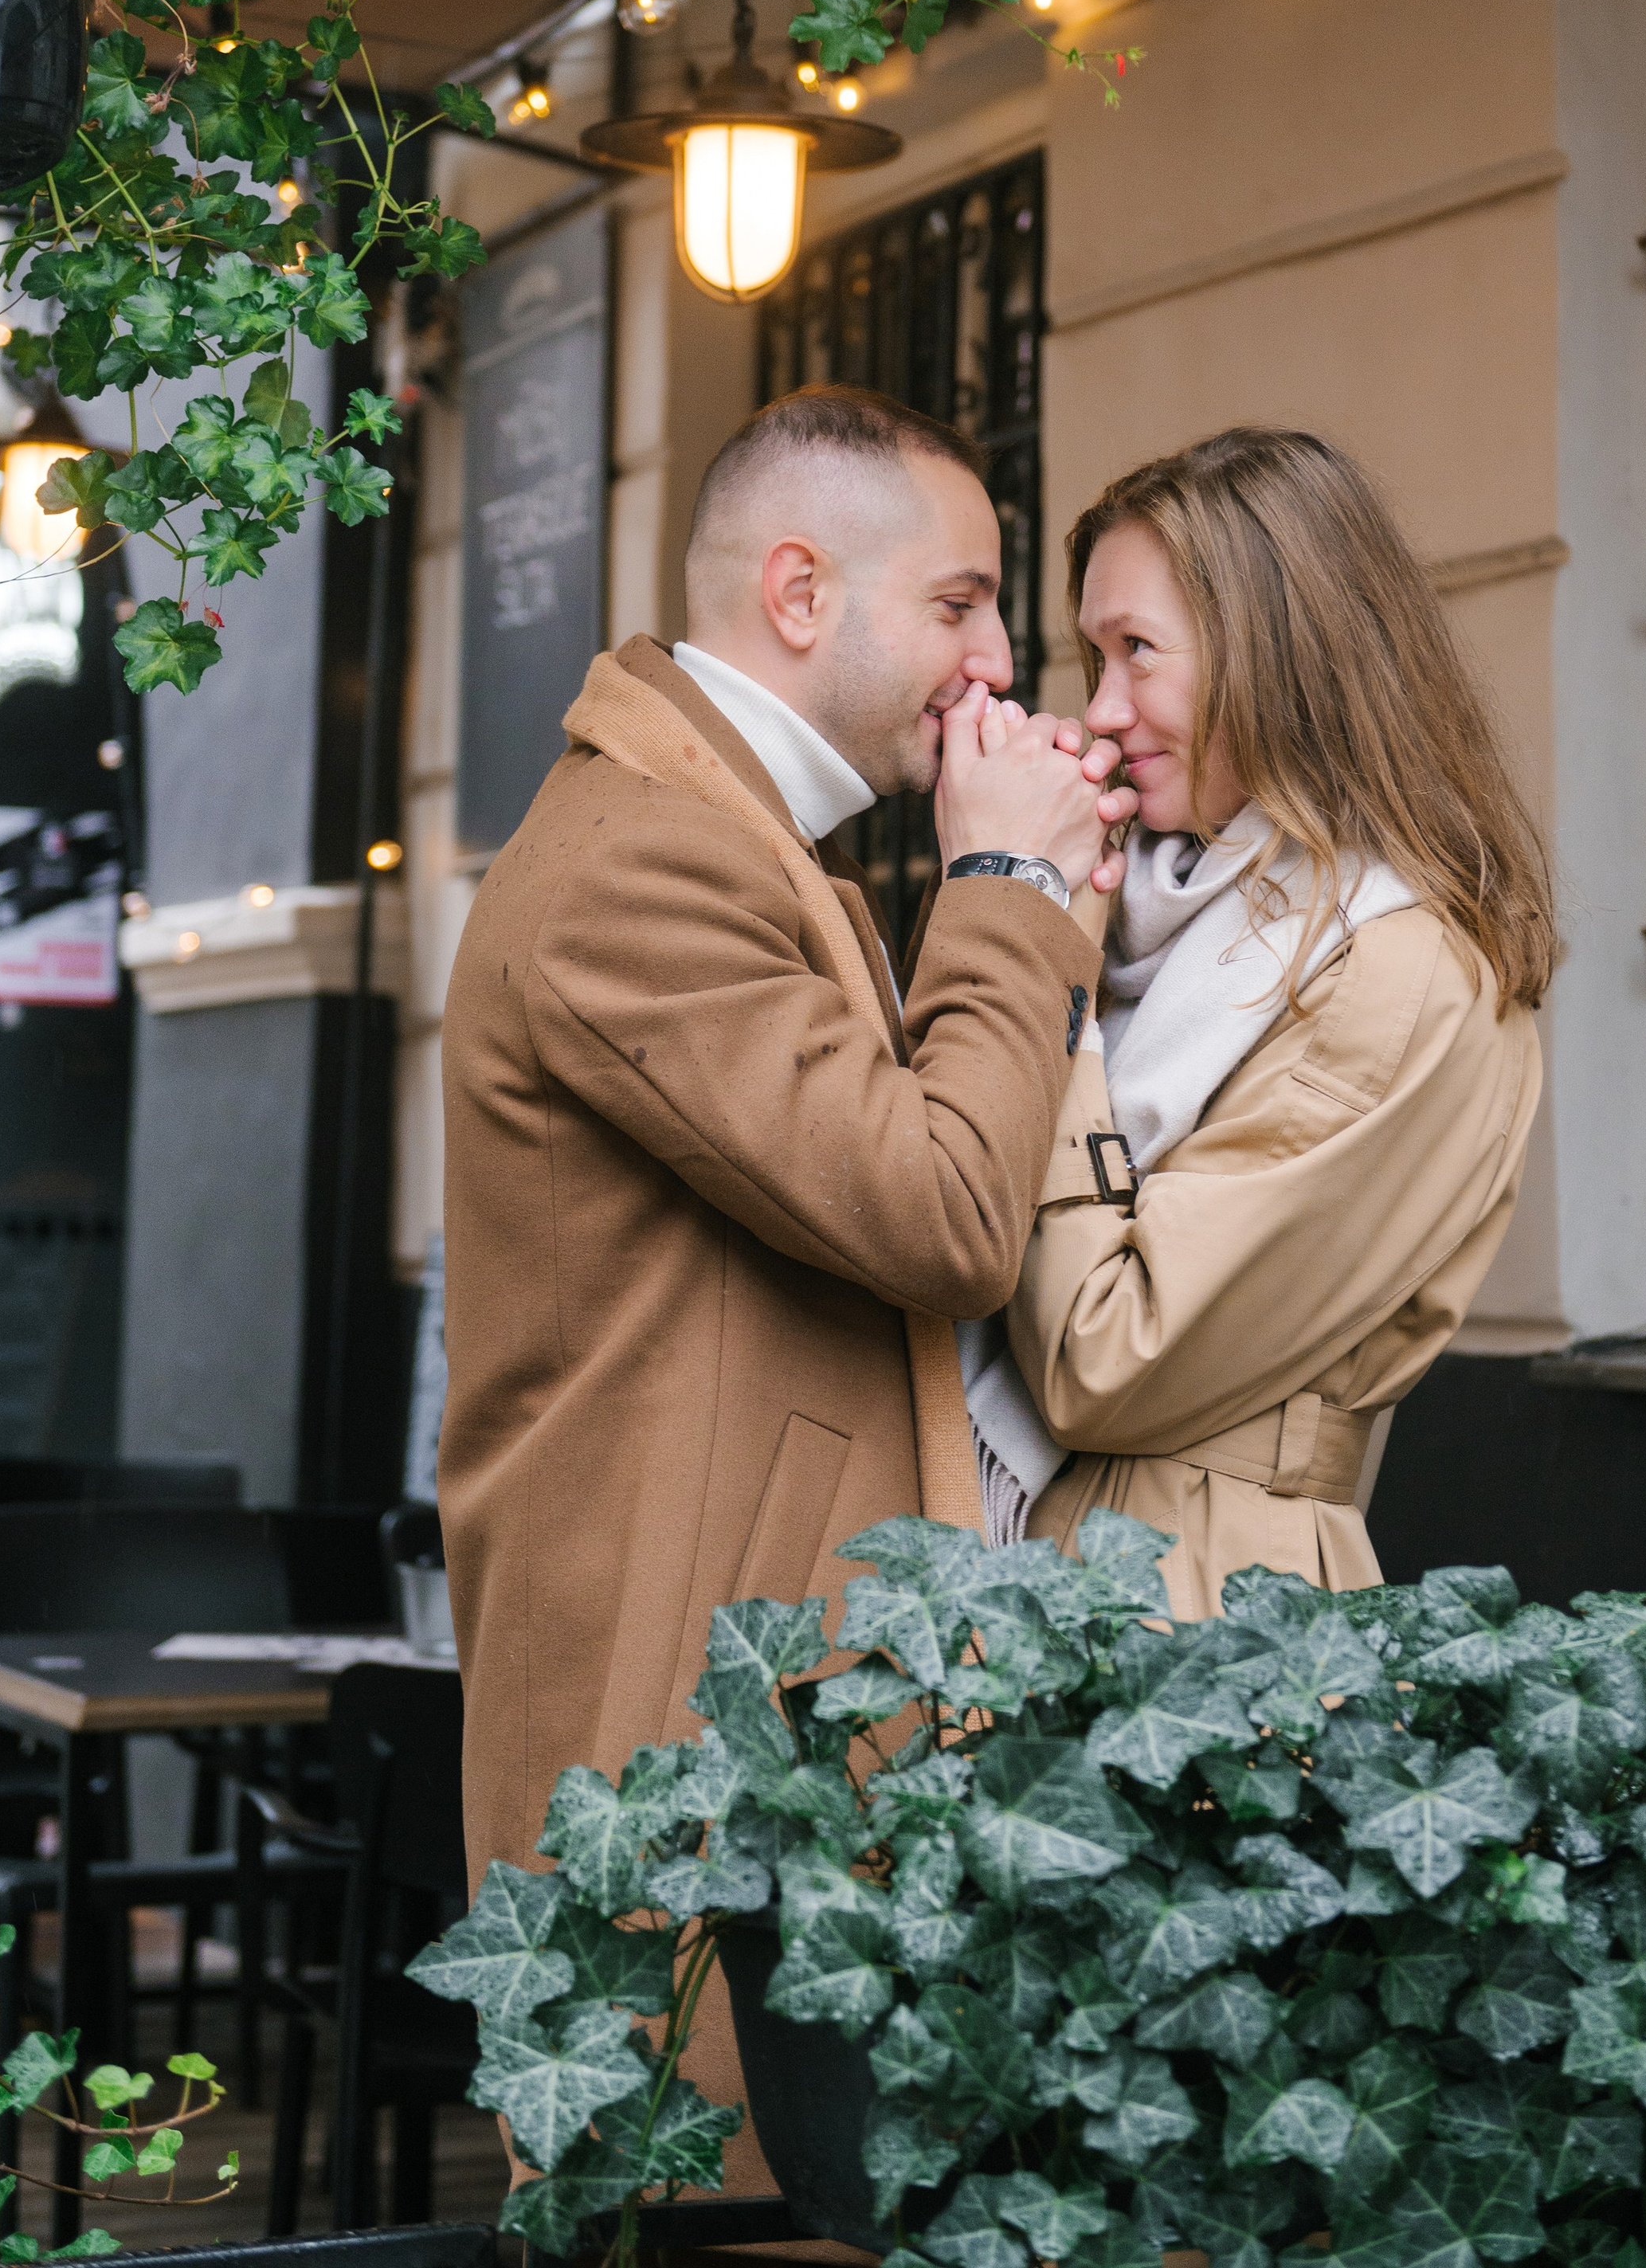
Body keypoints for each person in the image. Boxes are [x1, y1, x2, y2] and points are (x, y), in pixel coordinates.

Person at [437, 383, 1131, 2172]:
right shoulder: (643, 861)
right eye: (962, 603)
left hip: (748, 1723)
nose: (991, 666)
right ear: (802, 594)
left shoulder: (735, 839)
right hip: (674, 1734)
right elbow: (942, 1212)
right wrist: (999, 882)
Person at [1001, 425, 1553, 1618]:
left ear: (1279, 653)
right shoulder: (1160, 915)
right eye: (1091, 657)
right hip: (1055, 1562)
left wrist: (1045, 987)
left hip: (1192, 1616)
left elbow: (1108, 1357)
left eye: (1136, 652)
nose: (1100, 709)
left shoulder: (1395, 969)